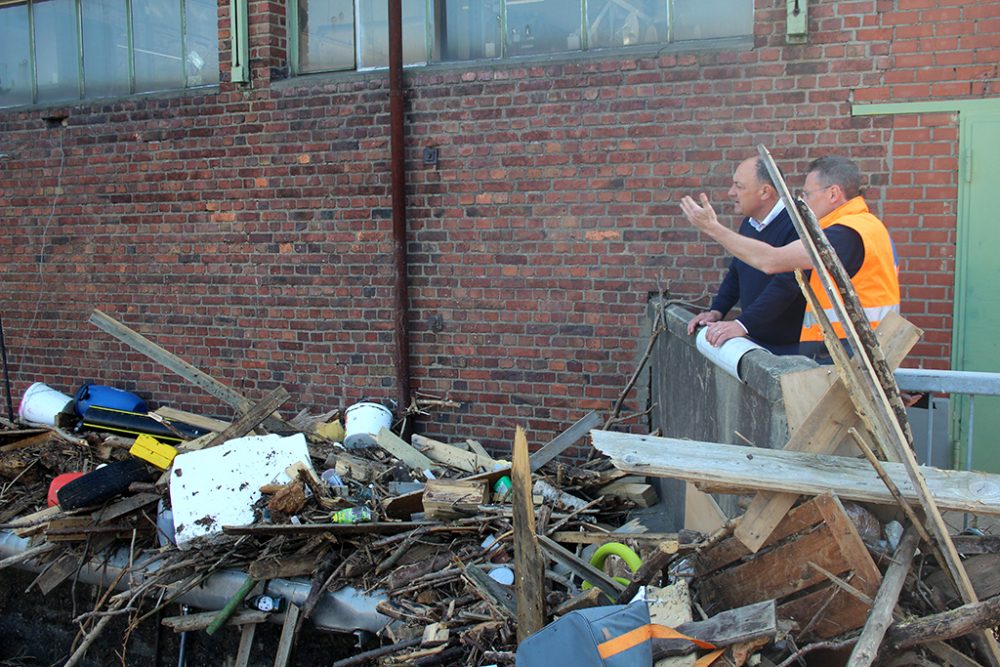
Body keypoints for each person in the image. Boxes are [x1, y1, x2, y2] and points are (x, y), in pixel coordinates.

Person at [680, 155, 900, 363]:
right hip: (860, 350)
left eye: (807, 194)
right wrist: (719, 310)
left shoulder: (844, 234)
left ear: (833, 194)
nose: (801, 202)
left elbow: (772, 262)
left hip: (852, 354)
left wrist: (713, 228)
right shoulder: (863, 226)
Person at [686, 156, 806, 355]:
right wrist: (717, 311)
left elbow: (787, 285)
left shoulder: (797, 224)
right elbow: (737, 271)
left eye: (739, 186)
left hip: (792, 349)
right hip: (757, 342)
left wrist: (743, 324)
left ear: (765, 191)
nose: (731, 192)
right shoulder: (749, 223)